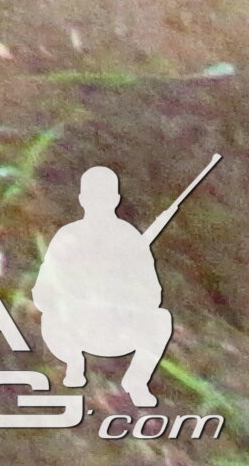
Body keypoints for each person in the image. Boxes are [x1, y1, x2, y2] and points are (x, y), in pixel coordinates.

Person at [30, 166, 175, 405]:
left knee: (160, 319)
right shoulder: (68, 237)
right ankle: (74, 366)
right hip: (75, 329)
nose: (99, 203)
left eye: (105, 196)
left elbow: (153, 294)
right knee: (52, 317)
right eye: (93, 196)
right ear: (83, 199)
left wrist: (122, 292)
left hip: (117, 329)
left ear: (116, 199)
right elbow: (43, 292)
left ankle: (137, 381)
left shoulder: (129, 238)